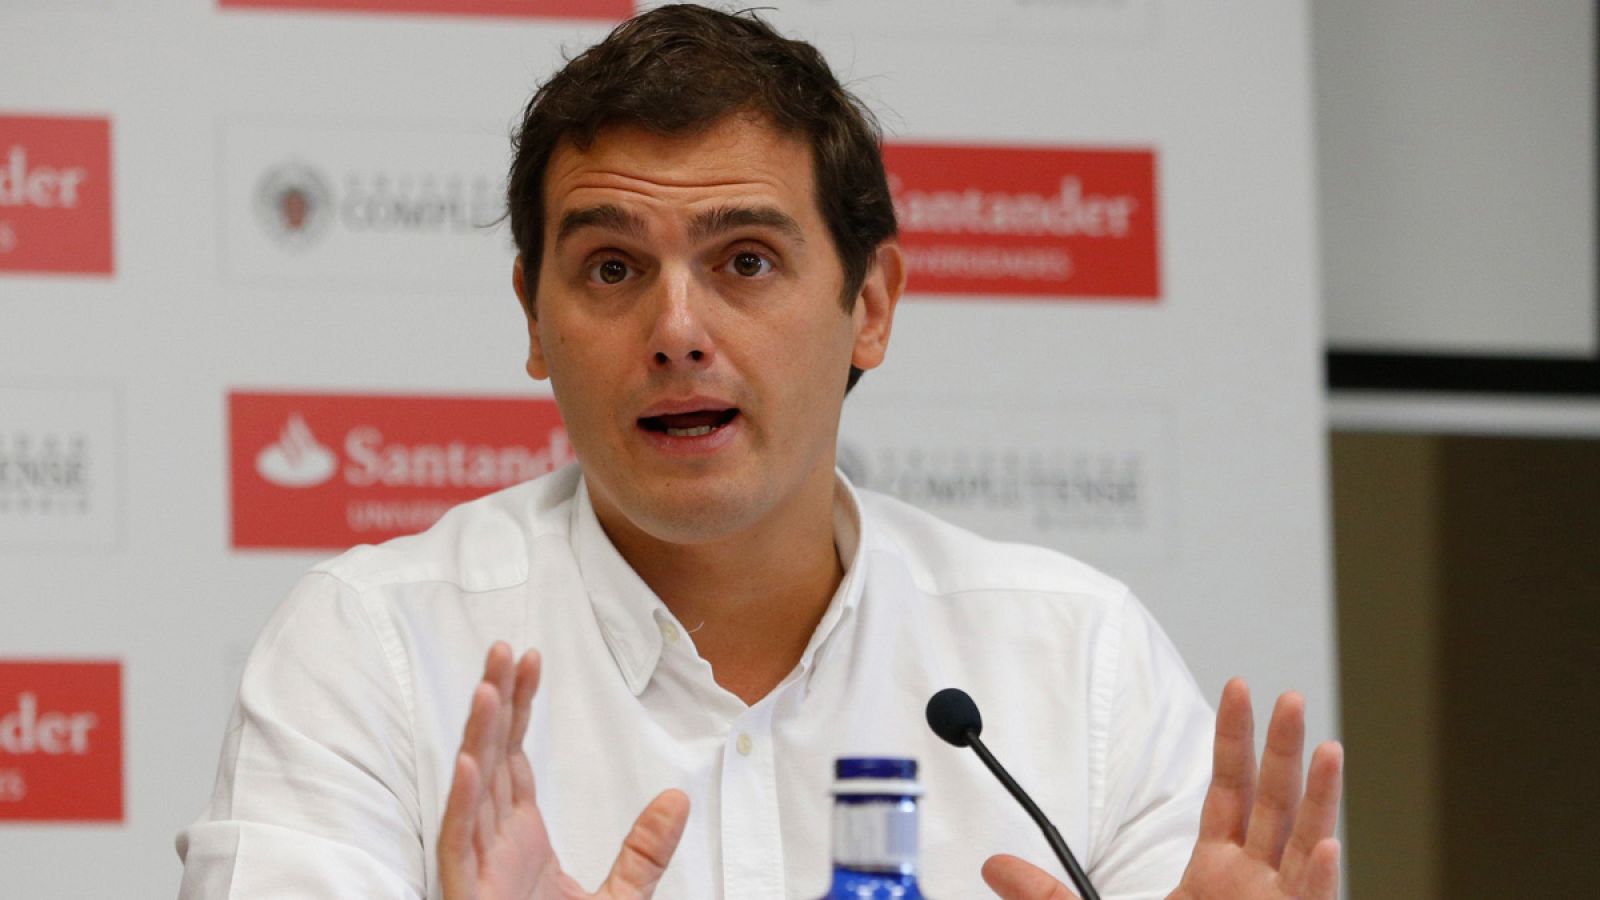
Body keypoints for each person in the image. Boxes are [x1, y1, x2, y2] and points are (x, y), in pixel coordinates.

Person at [177, 6, 1343, 899]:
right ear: (534, 318)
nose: (676, 332)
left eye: (743, 261)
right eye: (611, 268)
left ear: (870, 306)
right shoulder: (375, 650)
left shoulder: (1075, 667)